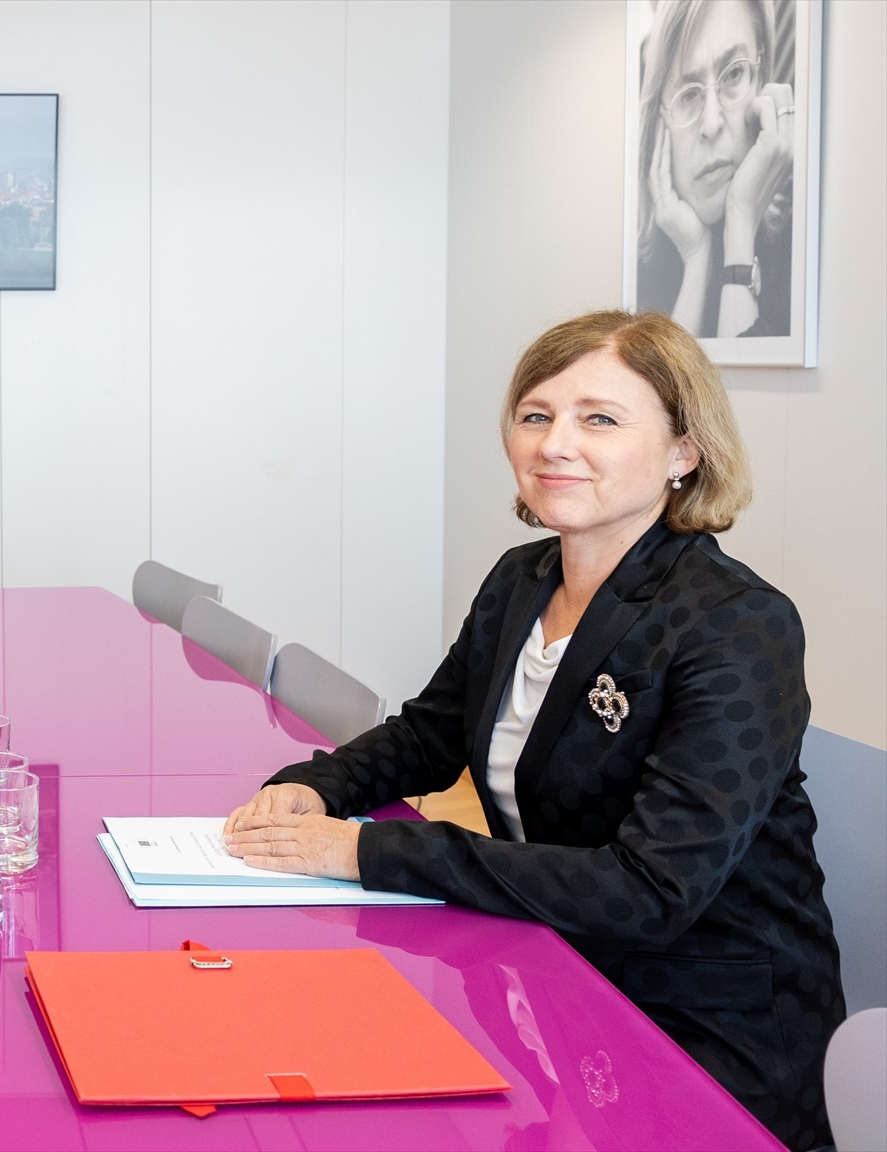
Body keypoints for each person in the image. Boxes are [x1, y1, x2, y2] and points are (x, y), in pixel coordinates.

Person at [221, 311, 843, 1150]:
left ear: (684, 452)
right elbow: (432, 733)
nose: (556, 444)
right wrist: (313, 786)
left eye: (600, 419)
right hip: (557, 975)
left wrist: (364, 852)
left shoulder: (737, 625)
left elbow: (651, 890)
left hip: (704, 1025)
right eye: (536, 414)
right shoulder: (524, 577)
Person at [634, 0, 796, 339]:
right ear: (658, 122)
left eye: (734, 73)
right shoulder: (634, 268)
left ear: (761, 79)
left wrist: (740, 223)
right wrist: (696, 259)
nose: (711, 124)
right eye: (688, 95)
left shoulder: (800, 241)